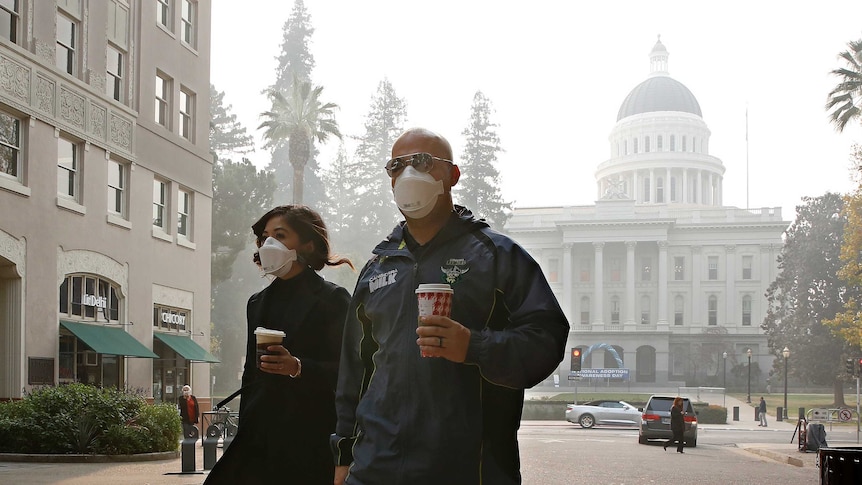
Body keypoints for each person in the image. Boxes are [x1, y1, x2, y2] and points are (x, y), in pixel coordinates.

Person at [331, 128, 570, 485]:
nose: (409, 173)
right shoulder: (378, 268)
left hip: (469, 470)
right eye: (396, 165)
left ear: (452, 174)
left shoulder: (497, 257)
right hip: (373, 468)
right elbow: (355, 372)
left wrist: (474, 346)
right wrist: (345, 453)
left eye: (423, 162)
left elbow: (548, 339)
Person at [205, 205, 353, 485]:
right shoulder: (257, 302)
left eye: (280, 235)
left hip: (309, 435)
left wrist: (297, 367)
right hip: (258, 433)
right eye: (264, 237)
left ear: (307, 244)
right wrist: (245, 426)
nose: (268, 243)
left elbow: (348, 374)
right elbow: (251, 372)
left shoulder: (333, 300)